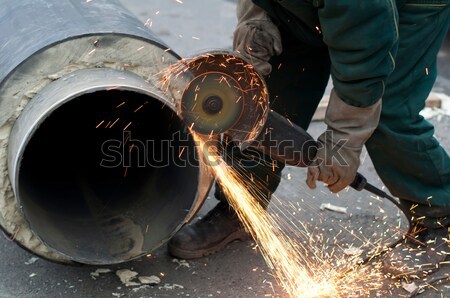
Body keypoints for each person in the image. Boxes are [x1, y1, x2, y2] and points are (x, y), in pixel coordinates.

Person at [169, 0, 450, 278]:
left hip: (401, 9)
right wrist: (258, 15)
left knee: (387, 112)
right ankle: (242, 206)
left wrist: (343, 140)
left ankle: (438, 218)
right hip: (322, 8)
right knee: (268, 92)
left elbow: (366, 55)